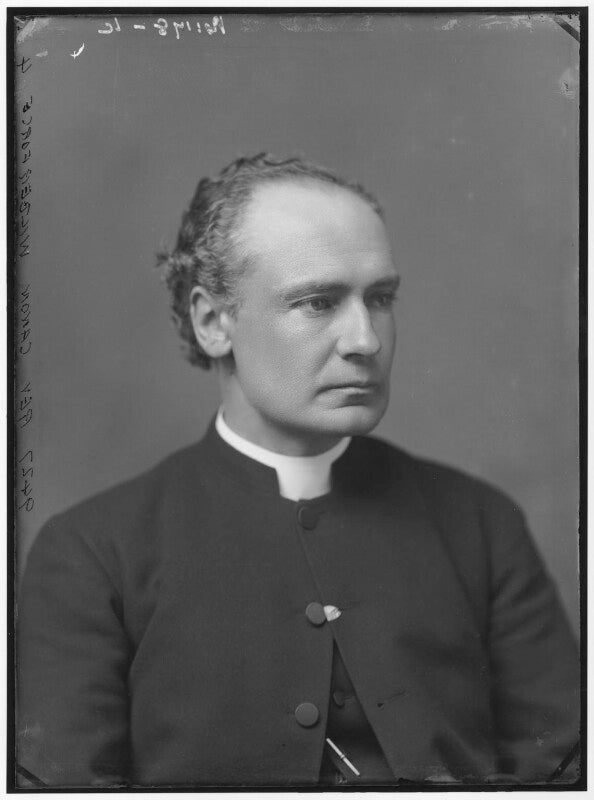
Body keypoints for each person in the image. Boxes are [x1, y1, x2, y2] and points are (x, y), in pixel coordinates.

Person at [17, 154, 580, 788]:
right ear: (213, 322)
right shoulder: (93, 551)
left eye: (381, 298)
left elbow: (563, 769)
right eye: (318, 302)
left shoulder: (481, 525)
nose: (365, 340)